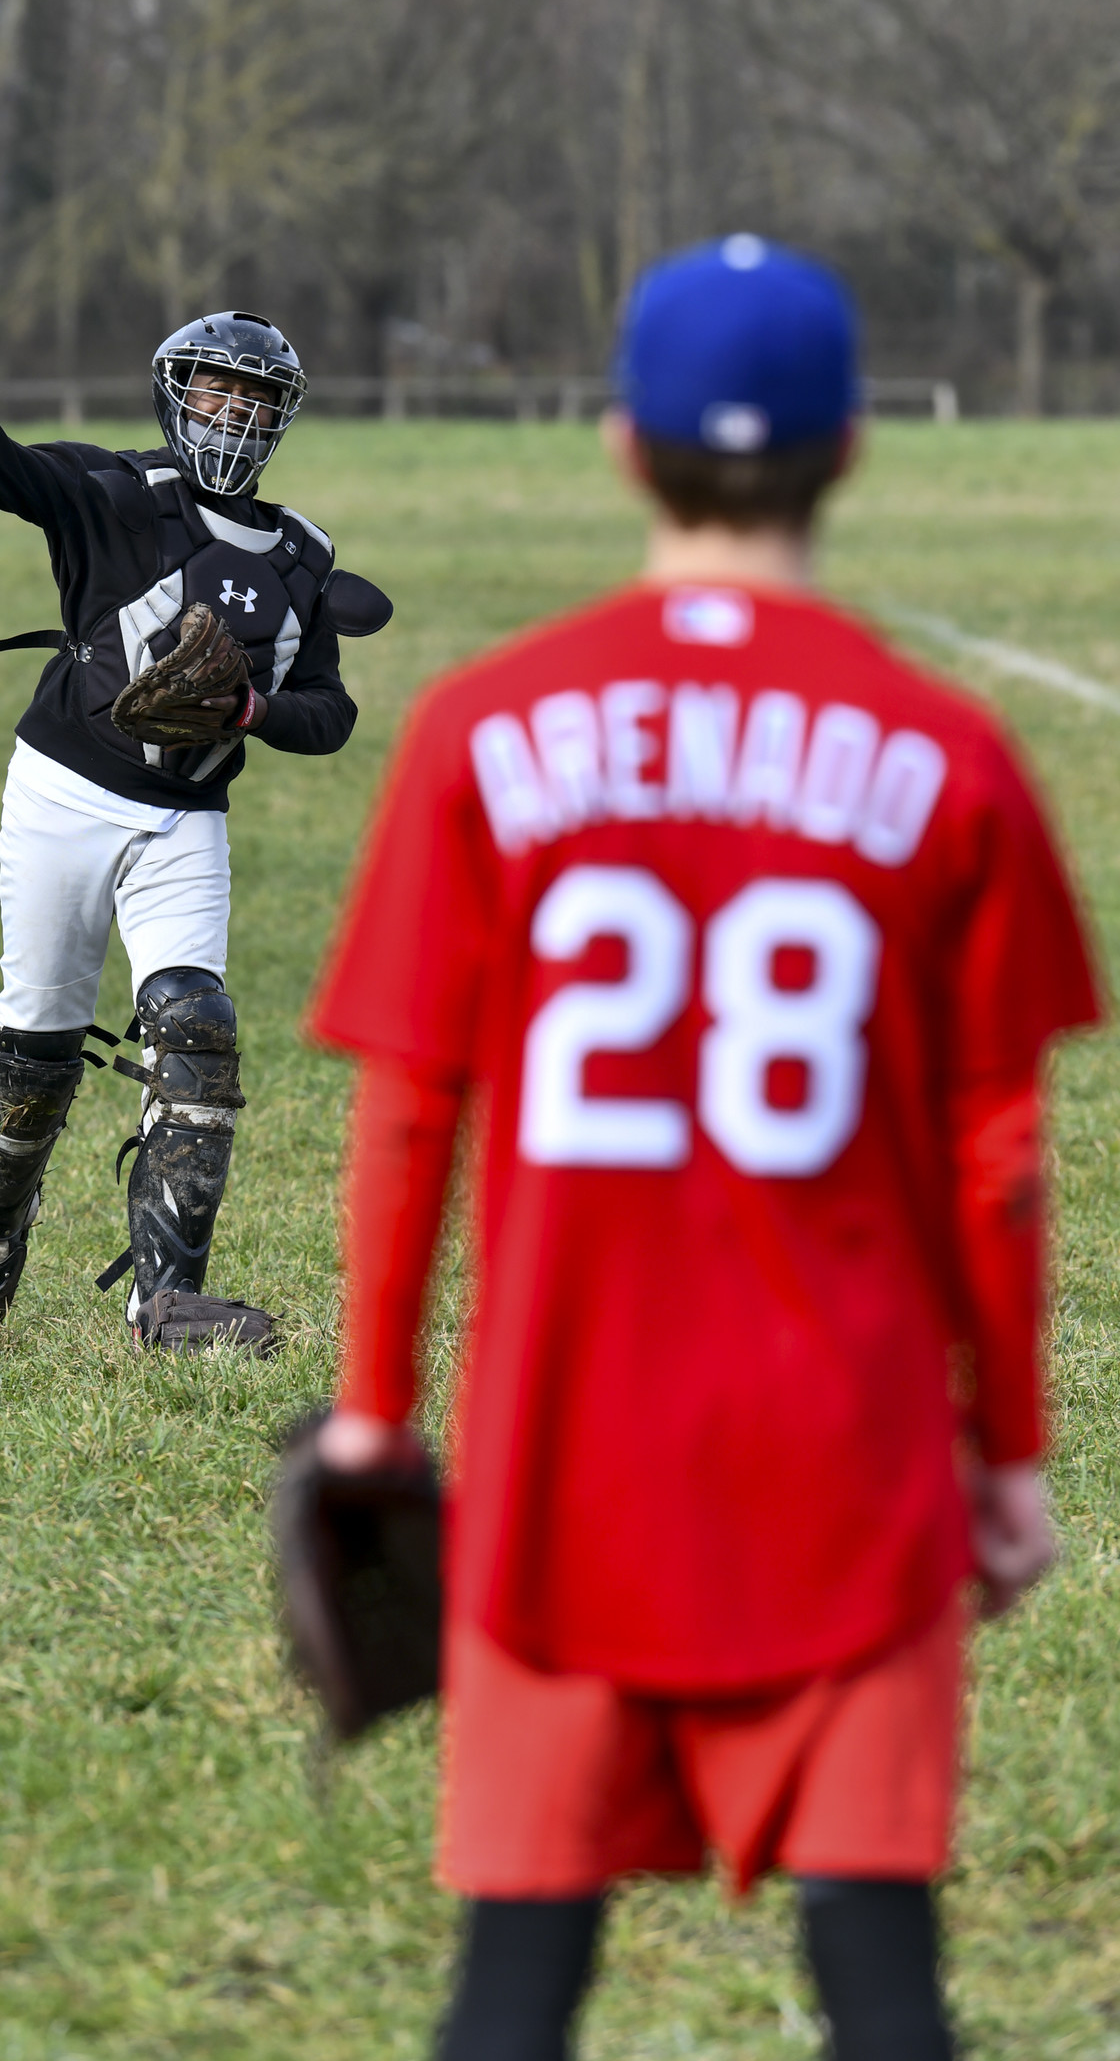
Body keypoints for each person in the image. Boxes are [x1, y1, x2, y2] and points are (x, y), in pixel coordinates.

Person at [306, 234, 1102, 2059]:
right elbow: (998, 1152)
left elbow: (413, 1099)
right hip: (857, 1459)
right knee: (883, 1976)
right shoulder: (947, 751)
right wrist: (1010, 1453)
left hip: (559, 1463)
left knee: (516, 1979)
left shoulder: (482, 729)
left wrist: (375, 1408)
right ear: (855, 451)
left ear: (617, 447)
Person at [0, 228, 388, 1345]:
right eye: (215, 396)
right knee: (34, 1059)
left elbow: (328, 716)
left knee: (198, 1032)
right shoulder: (115, 497)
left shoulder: (300, 561)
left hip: (186, 822)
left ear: (279, 421)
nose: (230, 418)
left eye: (254, 403)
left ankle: (164, 1301)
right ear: (177, 401)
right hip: (63, 797)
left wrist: (247, 712)